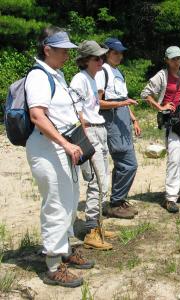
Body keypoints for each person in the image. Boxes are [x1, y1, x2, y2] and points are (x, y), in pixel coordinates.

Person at [25, 26, 94, 287]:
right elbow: (37, 116)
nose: (67, 54)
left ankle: (64, 249)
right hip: (48, 148)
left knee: (69, 200)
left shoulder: (57, 75)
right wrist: (65, 143)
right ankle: (53, 266)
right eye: (63, 50)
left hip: (63, 146)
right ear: (47, 49)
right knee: (56, 203)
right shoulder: (39, 77)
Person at [140, 46, 180, 213]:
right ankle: (170, 197)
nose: (176, 62)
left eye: (178, 58)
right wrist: (160, 106)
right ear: (167, 60)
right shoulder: (162, 76)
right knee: (174, 157)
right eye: (173, 59)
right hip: (172, 122)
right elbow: (146, 93)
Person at [70, 40, 114, 250]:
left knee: (103, 177)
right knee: (96, 180)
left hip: (100, 128)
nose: (101, 61)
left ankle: (97, 225)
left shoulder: (93, 78)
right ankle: (91, 230)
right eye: (97, 58)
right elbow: (77, 111)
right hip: (90, 131)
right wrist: (84, 138)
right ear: (86, 60)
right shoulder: (79, 79)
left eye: (102, 57)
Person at [95, 38, 141, 219]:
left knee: (124, 163)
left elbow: (124, 99)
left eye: (121, 53)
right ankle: (115, 203)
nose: (119, 56)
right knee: (127, 163)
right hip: (112, 120)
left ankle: (118, 199)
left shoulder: (118, 72)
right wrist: (122, 103)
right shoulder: (101, 72)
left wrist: (134, 119)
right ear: (106, 53)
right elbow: (97, 102)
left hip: (123, 120)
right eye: (115, 53)